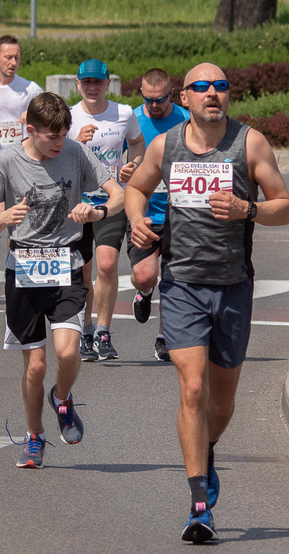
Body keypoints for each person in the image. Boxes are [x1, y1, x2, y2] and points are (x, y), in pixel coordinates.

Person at [125, 63, 289, 542]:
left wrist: (249, 209)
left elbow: (285, 206)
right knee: (193, 389)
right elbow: (137, 188)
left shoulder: (250, 143)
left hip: (233, 284)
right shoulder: (167, 145)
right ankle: (200, 505)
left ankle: (208, 447)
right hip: (182, 283)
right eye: (202, 87)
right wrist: (137, 220)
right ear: (185, 97)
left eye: (220, 86)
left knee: (221, 404)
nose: (213, 94)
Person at [0, 92, 124, 468]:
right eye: (52, 137)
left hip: (66, 264)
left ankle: (61, 398)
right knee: (36, 365)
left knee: (68, 352)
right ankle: (34, 435)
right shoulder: (7, 161)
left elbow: (119, 195)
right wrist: (0, 220)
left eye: (64, 135)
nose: (60, 143)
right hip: (23, 267)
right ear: (31, 130)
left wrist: (98, 211)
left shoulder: (75, 153)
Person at [66, 59, 144, 361]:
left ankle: (103, 331)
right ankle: (84, 331)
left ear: (108, 83)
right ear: (78, 84)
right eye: (86, 82)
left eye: (97, 82)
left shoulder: (124, 113)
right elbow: (54, 153)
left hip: (111, 201)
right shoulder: (69, 117)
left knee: (108, 265)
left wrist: (133, 165)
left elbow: (137, 143)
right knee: (83, 273)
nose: (92, 87)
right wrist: (75, 141)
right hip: (78, 204)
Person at [127, 68, 190, 362]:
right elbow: (114, 158)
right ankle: (143, 293)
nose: (154, 105)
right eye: (148, 99)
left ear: (172, 94)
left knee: (173, 278)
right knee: (145, 275)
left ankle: (164, 337)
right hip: (145, 214)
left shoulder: (186, 120)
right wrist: (125, 170)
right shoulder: (132, 121)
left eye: (160, 99)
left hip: (180, 213)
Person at [0, 35, 43, 256]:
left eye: (17, 58)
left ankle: (11, 262)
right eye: (8, 57)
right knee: (2, 209)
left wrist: (32, 117)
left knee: (15, 216)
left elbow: (47, 114)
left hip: (19, 160)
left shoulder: (30, 89)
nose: (13, 62)